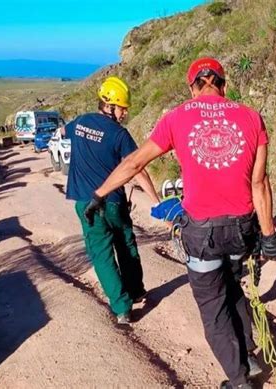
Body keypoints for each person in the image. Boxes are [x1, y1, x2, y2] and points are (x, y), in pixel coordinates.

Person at [84, 57, 276, 388]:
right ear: (223, 84)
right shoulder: (251, 117)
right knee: (232, 285)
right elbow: (260, 183)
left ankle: (238, 379)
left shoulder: (177, 117)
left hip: (202, 232)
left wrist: (100, 193)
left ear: (192, 87)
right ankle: (247, 353)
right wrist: (268, 235)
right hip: (240, 229)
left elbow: (134, 163)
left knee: (212, 305)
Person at [63, 76, 160, 325]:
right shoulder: (119, 134)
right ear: (109, 105)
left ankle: (122, 308)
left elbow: (63, 131)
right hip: (114, 201)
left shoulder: (80, 122)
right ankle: (136, 290)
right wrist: (156, 202)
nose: (125, 112)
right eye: (122, 107)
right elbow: (138, 169)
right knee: (126, 245)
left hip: (86, 203)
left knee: (102, 255)